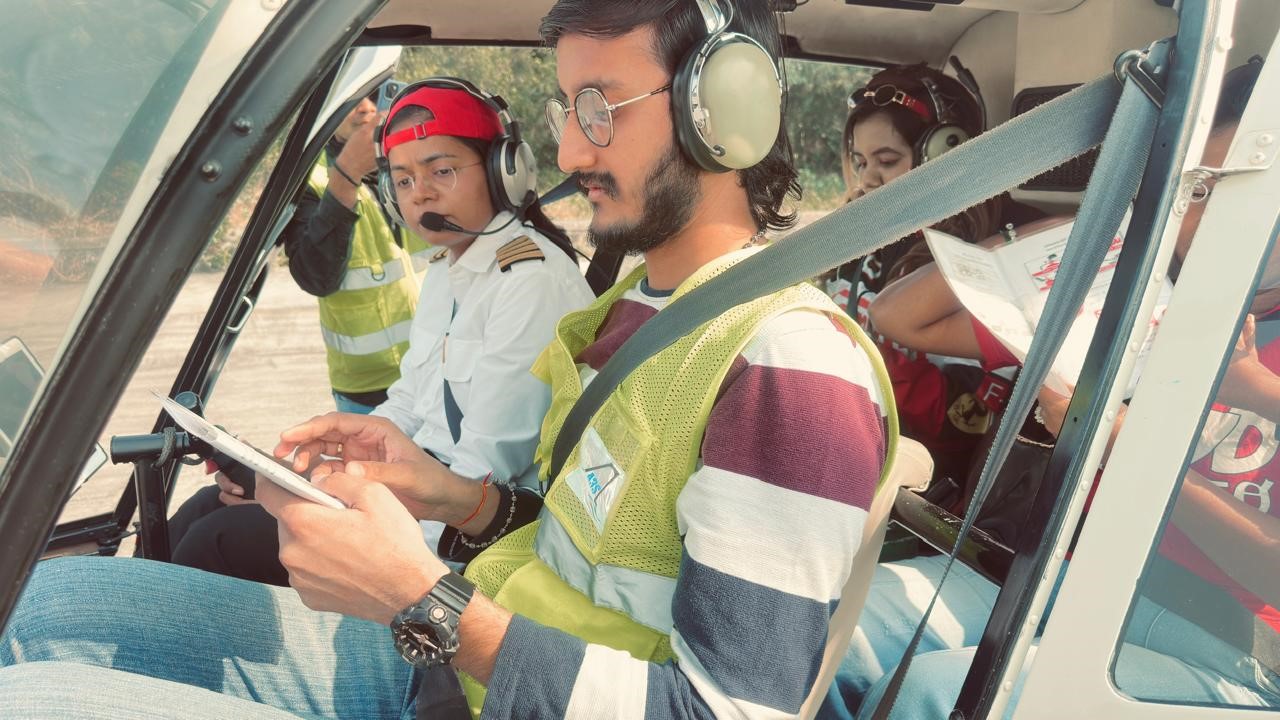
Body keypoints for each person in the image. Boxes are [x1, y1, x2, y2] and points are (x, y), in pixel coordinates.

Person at [0, 2, 897, 718]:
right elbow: (572, 534)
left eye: (601, 109)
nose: (571, 149)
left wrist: (422, 600)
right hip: (443, 669)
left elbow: (720, 714)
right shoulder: (640, 315)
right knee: (43, 605)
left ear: (725, 114)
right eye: (563, 111)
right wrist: (448, 494)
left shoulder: (788, 365)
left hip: (455, 663)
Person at [843, 58, 1279, 718]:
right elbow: (902, 315)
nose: (1197, 215)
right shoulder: (1142, 297)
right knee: (829, 634)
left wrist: (1118, 440)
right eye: (1193, 188)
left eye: (1224, 192)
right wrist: (1085, 230)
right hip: (1075, 573)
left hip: (1226, 642)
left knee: (933, 692)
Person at [163, 77, 595, 586]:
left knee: (214, 541)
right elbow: (407, 405)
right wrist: (313, 470)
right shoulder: (446, 271)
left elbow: (484, 474)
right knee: (206, 506)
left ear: (505, 171)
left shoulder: (528, 280)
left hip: (463, 535)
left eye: (443, 170)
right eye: (405, 180)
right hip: (418, 490)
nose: (422, 194)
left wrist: (348, 509)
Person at [830, 62, 1046, 495]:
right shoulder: (854, 236)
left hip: (930, 480)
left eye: (887, 160)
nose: (868, 178)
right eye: (860, 161)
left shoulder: (992, 247)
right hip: (854, 444)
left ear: (945, 153)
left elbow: (973, 414)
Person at [282, 86, 433, 415]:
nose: (365, 108)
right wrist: (346, 176)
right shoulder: (311, 181)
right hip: (367, 390)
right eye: (353, 97)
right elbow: (317, 277)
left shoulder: (421, 162)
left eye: (376, 94)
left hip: (438, 370)